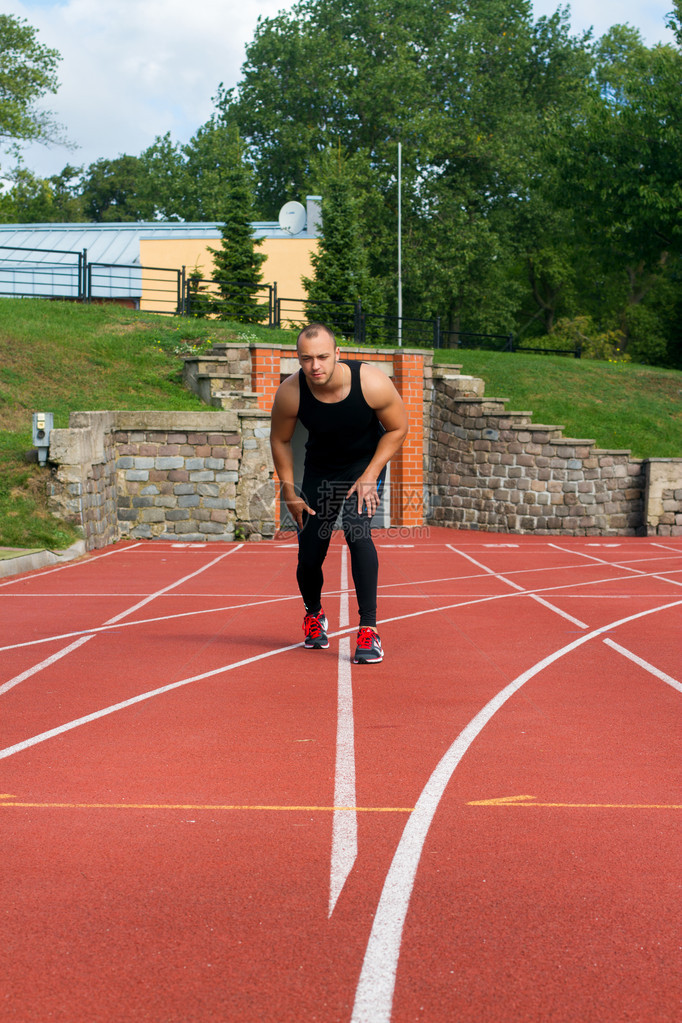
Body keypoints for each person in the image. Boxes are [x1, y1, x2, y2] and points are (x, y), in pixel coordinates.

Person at [270, 323, 408, 664]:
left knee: (357, 532)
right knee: (310, 553)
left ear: (337, 354)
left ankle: (369, 629)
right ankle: (314, 614)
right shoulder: (291, 392)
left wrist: (370, 474)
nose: (315, 366)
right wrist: (289, 490)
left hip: (364, 463)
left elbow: (398, 427)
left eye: (321, 357)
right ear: (298, 359)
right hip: (321, 470)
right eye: (306, 359)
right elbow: (280, 439)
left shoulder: (371, 382)